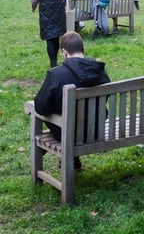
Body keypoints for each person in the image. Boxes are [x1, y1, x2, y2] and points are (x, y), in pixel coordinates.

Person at [34, 31, 110, 170]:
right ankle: (74, 161)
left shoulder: (56, 75)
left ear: (64, 53)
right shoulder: (100, 71)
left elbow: (40, 107)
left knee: (49, 109)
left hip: (67, 132)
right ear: (83, 50)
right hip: (94, 129)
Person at [30, 0, 69, 67]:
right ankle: (55, 60)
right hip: (59, 12)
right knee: (56, 36)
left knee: (49, 38)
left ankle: (53, 62)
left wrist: (33, 7)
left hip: (45, 13)